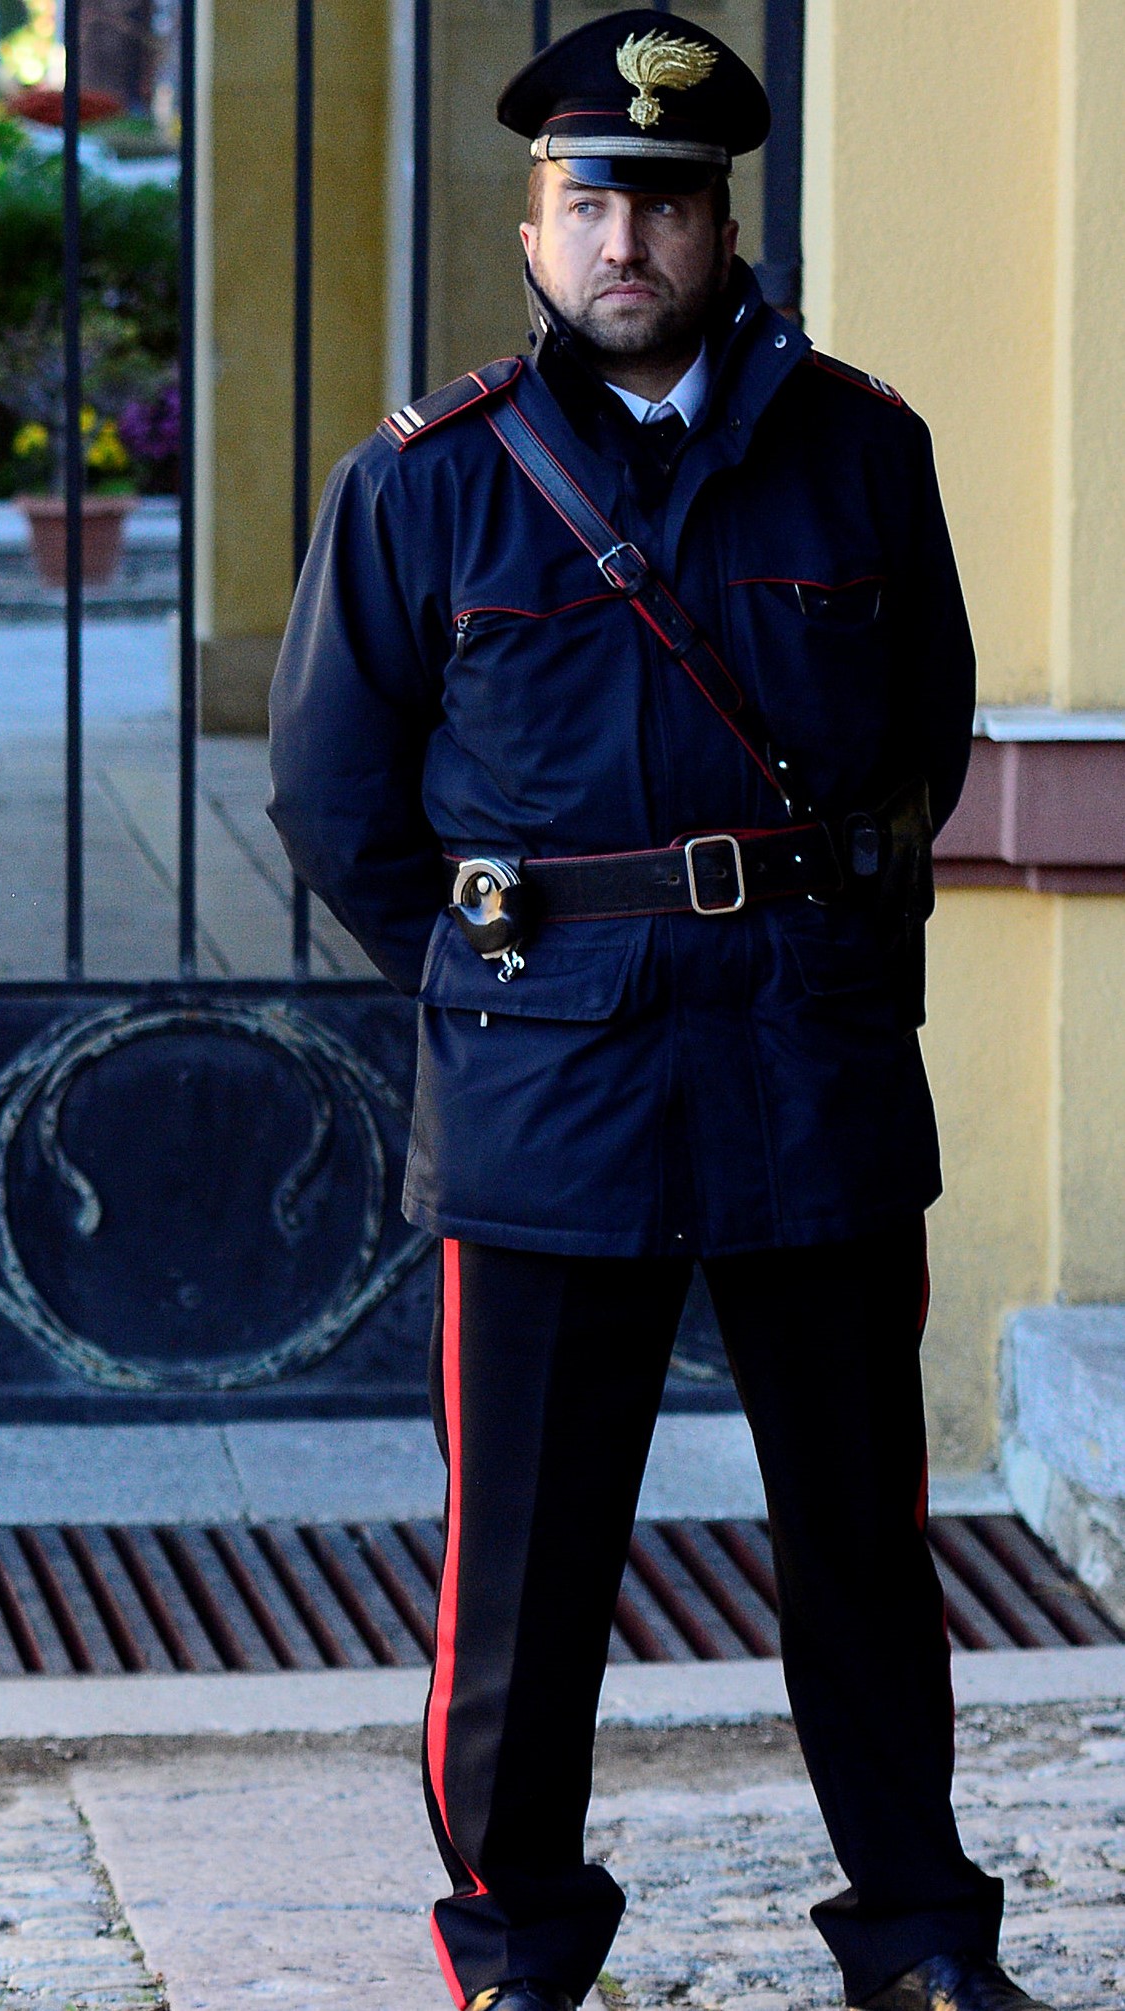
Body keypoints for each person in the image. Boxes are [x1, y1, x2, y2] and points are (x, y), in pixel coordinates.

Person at [266, 13, 1050, 2011]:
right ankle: (517, 1946)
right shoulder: (422, 487)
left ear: (722, 226)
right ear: (538, 225)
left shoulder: (864, 453)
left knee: (864, 1546)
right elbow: (338, 805)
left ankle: (919, 1940)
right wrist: (509, 995)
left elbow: (919, 741)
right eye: (590, 198)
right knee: (524, 1568)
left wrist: (828, 968)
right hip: (553, 1080)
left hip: (805, 1063)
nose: (628, 238)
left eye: (666, 203)